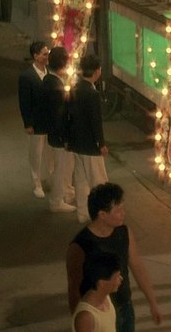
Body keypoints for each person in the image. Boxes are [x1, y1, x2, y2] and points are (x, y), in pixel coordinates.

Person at [67, 183, 162, 332]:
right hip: (97, 312)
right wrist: (81, 320)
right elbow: (74, 287)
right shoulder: (80, 245)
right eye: (118, 210)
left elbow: (137, 266)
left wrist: (153, 303)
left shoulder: (124, 233)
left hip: (124, 306)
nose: (123, 213)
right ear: (102, 215)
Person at [68, 54, 110, 223]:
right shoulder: (92, 94)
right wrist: (101, 144)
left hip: (77, 143)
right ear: (97, 71)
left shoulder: (74, 88)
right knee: (99, 181)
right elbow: (95, 122)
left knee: (80, 180)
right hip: (90, 145)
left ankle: (83, 213)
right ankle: (104, 215)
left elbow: (67, 116)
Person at [41, 46, 77, 213]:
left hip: (53, 134)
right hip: (60, 136)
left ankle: (65, 193)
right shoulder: (56, 86)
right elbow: (60, 116)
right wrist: (66, 137)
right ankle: (57, 201)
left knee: (62, 167)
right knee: (61, 169)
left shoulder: (48, 80)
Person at [19, 41, 53, 199]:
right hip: (36, 122)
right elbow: (24, 102)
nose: (47, 57)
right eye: (44, 54)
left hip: (49, 122)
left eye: (48, 54)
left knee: (50, 154)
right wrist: (28, 123)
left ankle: (50, 179)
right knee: (36, 154)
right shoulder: (26, 77)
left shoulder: (49, 73)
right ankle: (37, 184)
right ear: (36, 56)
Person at [73, 252, 123, 332]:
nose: (121, 278)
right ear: (102, 283)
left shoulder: (106, 297)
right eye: (117, 276)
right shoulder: (86, 317)